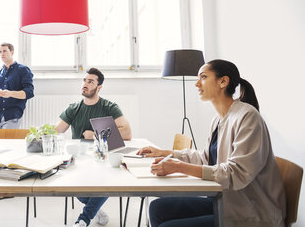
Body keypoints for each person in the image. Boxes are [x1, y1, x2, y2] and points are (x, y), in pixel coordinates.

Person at [139, 59, 286, 227]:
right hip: (226, 201)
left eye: (203, 77)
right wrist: (168, 153)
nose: (196, 84)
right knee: (158, 208)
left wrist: (178, 167)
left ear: (223, 81)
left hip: (251, 213)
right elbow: (207, 158)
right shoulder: (218, 119)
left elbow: (236, 173)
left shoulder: (247, 117)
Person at [55, 67, 132, 227]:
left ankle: (83, 220)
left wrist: (95, 134)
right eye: (84, 80)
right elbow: (56, 131)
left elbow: (127, 132)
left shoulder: (109, 106)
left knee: (107, 182)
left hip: (101, 159)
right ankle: (95, 210)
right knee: (70, 185)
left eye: (90, 81)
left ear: (99, 87)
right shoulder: (74, 108)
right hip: (79, 160)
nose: (85, 84)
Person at [0, 42, 34, 129]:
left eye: (5, 51)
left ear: (12, 52)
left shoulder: (23, 70)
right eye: (0, 52)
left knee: (6, 142)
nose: (2, 54)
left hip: (12, 116)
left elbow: (29, 92)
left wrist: (10, 93)